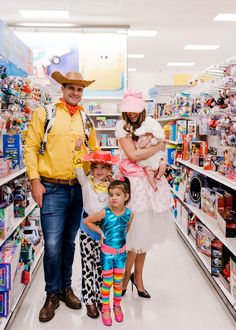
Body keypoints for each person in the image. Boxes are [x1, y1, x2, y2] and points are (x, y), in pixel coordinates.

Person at [24, 71, 99, 322]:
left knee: (69, 243)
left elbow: (95, 152)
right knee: (53, 245)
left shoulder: (86, 120)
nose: (75, 93)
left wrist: (101, 181)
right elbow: (31, 147)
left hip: (78, 189)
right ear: (63, 89)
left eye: (80, 89)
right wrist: (35, 180)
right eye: (71, 88)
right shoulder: (45, 114)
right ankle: (51, 294)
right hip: (51, 188)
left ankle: (67, 288)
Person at [115, 89, 173, 299]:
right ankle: (124, 277)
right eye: (128, 110)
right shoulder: (121, 127)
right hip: (131, 185)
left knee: (144, 234)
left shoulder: (151, 123)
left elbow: (161, 153)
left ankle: (138, 278)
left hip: (149, 185)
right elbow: (132, 154)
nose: (132, 113)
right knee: (132, 234)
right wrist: (158, 146)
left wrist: (163, 159)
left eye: (135, 109)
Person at [73, 141, 118, 319]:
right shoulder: (85, 182)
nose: (99, 171)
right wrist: (77, 151)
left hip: (104, 231)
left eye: (103, 168)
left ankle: (101, 298)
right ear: (91, 168)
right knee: (87, 265)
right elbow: (77, 167)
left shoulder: (111, 187)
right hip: (86, 229)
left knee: (101, 266)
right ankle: (89, 300)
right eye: (96, 167)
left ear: (109, 170)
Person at [84, 180, 133, 326]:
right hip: (106, 255)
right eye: (111, 194)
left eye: (118, 194)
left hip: (121, 254)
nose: (114, 198)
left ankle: (117, 306)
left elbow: (126, 228)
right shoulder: (105, 212)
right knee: (107, 283)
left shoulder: (130, 214)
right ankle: (105, 308)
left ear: (126, 196)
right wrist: (100, 232)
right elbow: (87, 221)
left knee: (118, 283)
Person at [135, 116, 167, 190]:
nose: (149, 134)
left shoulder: (155, 137)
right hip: (148, 159)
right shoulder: (142, 138)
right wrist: (148, 140)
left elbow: (161, 144)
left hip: (156, 156)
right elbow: (140, 146)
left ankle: (159, 175)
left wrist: (158, 139)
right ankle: (153, 184)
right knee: (149, 170)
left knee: (163, 163)